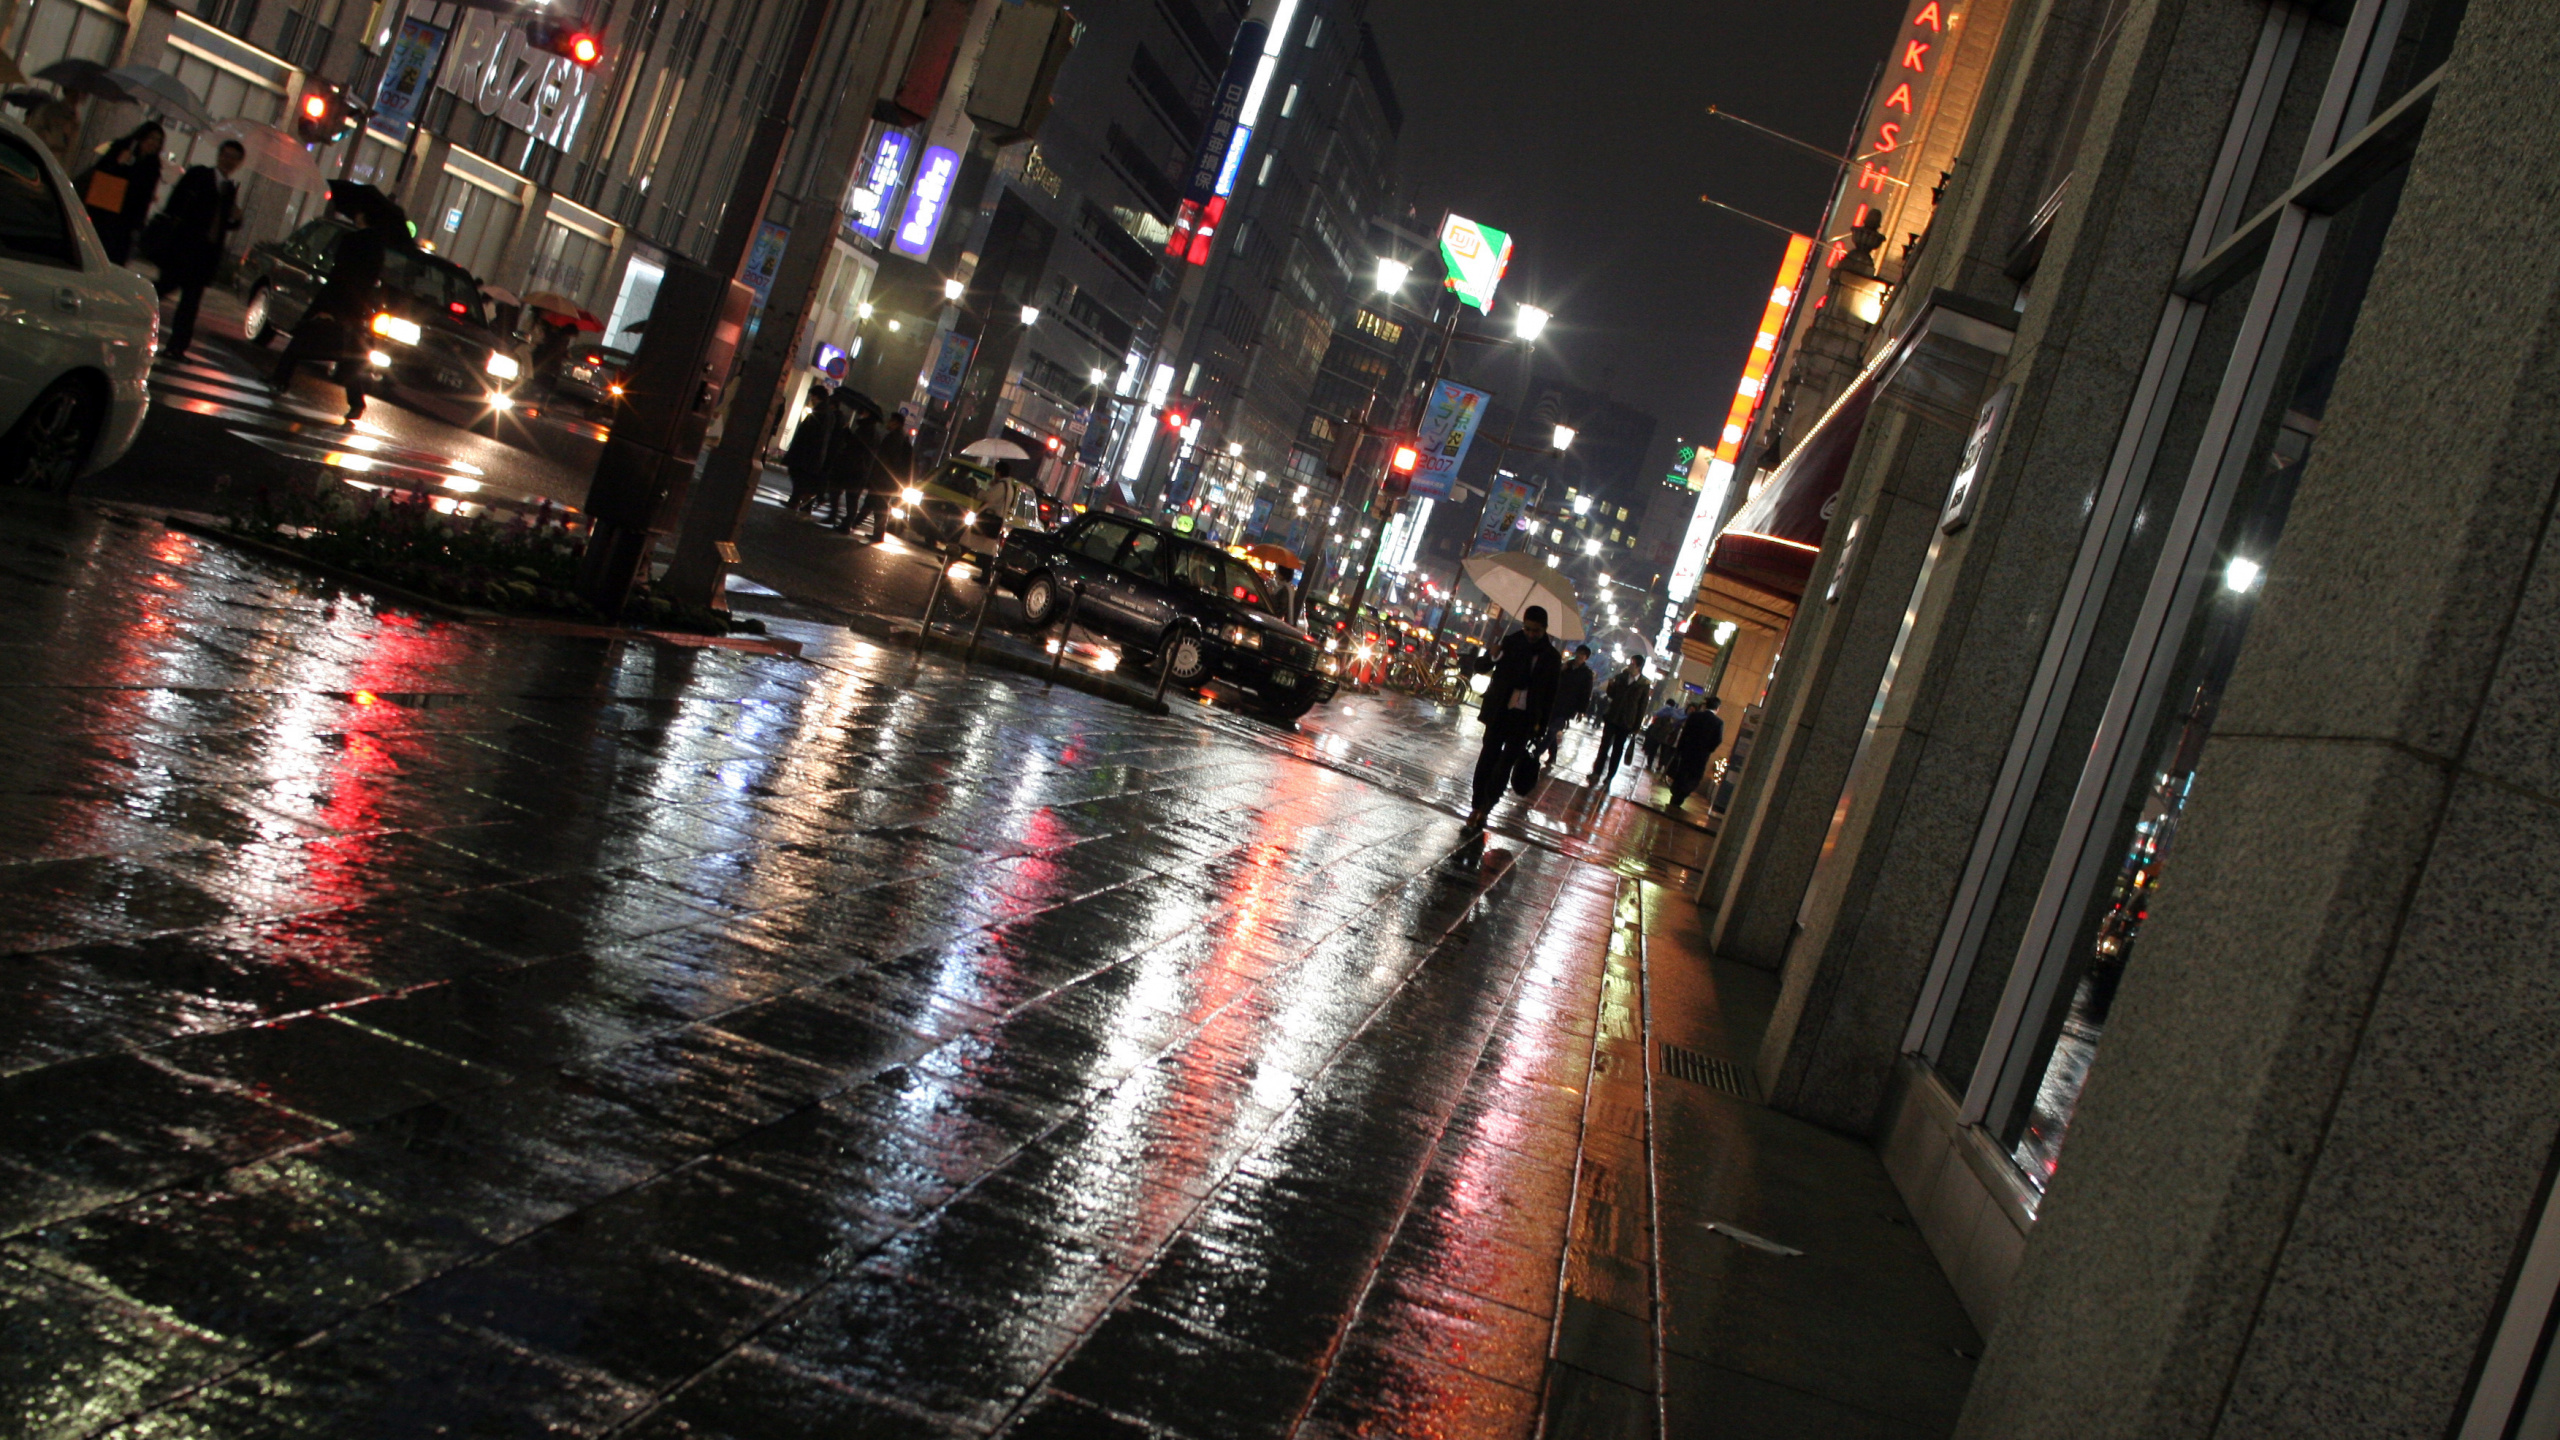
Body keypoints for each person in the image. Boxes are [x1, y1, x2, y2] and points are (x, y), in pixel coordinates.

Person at [272, 203, 404, 422]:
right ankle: (356, 402)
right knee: (348, 356)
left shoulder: (352, 241)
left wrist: (327, 307)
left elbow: (339, 275)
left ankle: (280, 380)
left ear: (362, 215)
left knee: (302, 339)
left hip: (336, 300)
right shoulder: (378, 248)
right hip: (356, 307)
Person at [1465, 605, 1561, 833]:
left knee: (1504, 765)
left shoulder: (1551, 657)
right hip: (1500, 710)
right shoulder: (1510, 642)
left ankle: (1486, 808)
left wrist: (1541, 727)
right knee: (1487, 759)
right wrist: (1492, 654)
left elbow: (1550, 694)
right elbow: (1480, 667)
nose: (1530, 634)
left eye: (1536, 631)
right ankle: (1476, 804)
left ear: (1544, 630)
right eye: (1527, 628)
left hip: (1525, 718)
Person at [147, 138, 244, 360]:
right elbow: (178, 203)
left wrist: (236, 217)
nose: (228, 161)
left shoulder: (229, 188)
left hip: (205, 255)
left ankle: (178, 346)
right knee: (162, 288)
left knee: (190, 304)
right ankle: (132, 313)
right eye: (226, 156)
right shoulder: (200, 176)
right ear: (219, 155)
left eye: (234, 158)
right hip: (184, 247)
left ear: (239, 163)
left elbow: (224, 224)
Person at [75, 122, 164, 266]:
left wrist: (138, 224)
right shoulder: (122, 148)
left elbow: (144, 199)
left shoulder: (153, 166)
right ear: (142, 137)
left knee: (114, 259)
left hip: (125, 221)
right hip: (104, 211)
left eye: (158, 141)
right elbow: (101, 172)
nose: (154, 144)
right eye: (152, 138)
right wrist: (119, 163)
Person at [780, 387, 836, 514]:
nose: (811, 399)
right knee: (801, 477)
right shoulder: (827, 413)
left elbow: (811, 434)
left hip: (807, 451)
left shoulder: (821, 413)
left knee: (798, 474)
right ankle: (803, 500)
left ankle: (801, 499)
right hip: (813, 453)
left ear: (817, 397)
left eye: (812, 396)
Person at [1596, 657, 1651, 783]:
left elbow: (1642, 706)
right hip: (1612, 716)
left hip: (1626, 722)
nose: (1630, 665)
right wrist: (1610, 685)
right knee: (1604, 746)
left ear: (1639, 667)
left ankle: (1610, 776)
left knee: (1617, 749)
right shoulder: (1621, 677)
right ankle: (1596, 772)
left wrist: (1637, 726)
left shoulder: (1644, 684)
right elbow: (1612, 694)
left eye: (1633, 664)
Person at [1668, 697, 1726, 810]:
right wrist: (1708, 749)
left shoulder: (1695, 716)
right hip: (1701, 756)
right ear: (1717, 708)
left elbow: (1685, 733)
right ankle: (1682, 794)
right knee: (1694, 777)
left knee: (1682, 773)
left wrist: (1680, 749)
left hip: (1687, 752)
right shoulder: (1718, 723)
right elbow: (1717, 740)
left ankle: (1676, 794)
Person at [1540, 644, 1595, 766]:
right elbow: (1553, 680)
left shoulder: (1586, 674)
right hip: (1555, 702)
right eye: (1578, 653)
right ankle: (1553, 754)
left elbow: (1586, 693)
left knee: (1552, 730)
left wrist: (1582, 710)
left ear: (1586, 658)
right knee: (1551, 730)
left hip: (1568, 707)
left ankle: (1537, 752)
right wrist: (1561, 670)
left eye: (1583, 655)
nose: (1579, 656)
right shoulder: (1566, 666)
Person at [1642, 698, 1683, 771]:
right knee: (1663, 753)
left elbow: (1655, 724)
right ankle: (1659, 766)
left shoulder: (1660, 712)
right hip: (1665, 737)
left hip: (1657, 735)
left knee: (1653, 751)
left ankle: (1650, 764)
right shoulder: (1674, 714)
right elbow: (1672, 726)